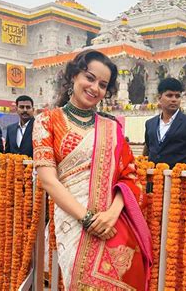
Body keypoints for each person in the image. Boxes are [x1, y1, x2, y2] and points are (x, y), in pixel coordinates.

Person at [33, 50, 152, 290]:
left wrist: (110, 215)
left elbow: (129, 177)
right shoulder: (47, 121)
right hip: (73, 222)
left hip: (111, 223)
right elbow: (48, 180)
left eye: (103, 84)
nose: (94, 87)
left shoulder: (111, 128)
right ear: (74, 76)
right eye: (89, 77)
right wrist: (86, 219)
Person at [144, 78, 186, 168]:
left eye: (177, 96)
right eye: (169, 95)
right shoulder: (150, 124)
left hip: (178, 179)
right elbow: (150, 150)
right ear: (159, 98)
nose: (174, 100)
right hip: (153, 179)